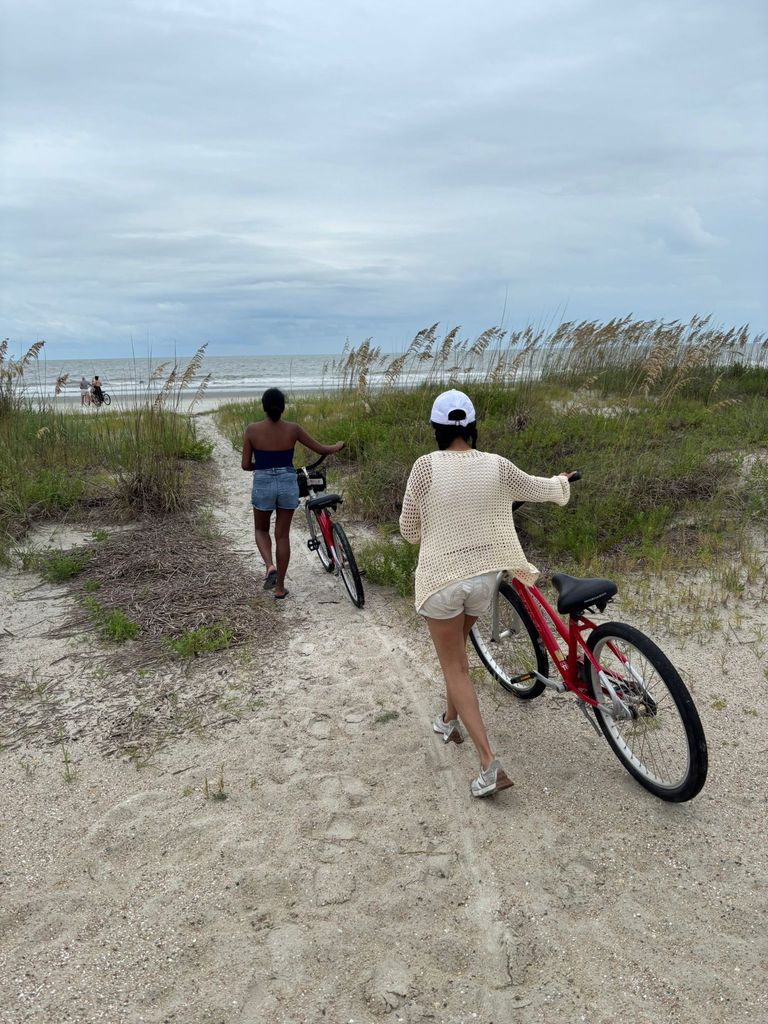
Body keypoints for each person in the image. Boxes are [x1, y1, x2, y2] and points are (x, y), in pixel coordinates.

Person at [399, 389, 571, 798]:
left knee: (454, 667)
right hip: (484, 581)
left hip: (442, 581)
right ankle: (447, 720)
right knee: (457, 653)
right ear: (472, 427)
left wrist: (435, 529)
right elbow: (537, 487)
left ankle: (488, 763)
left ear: (437, 429)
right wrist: (561, 483)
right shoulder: (495, 465)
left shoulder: (425, 467)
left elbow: (408, 531)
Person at [241, 387, 344, 599]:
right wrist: (337, 446)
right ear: (283, 407)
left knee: (261, 529)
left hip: (263, 481)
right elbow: (322, 449)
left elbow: (245, 465)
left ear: (264, 407)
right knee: (282, 536)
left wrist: (262, 466)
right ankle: (279, 588)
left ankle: (269, 566)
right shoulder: (293, 429)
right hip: (288, 482)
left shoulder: (252, 430)